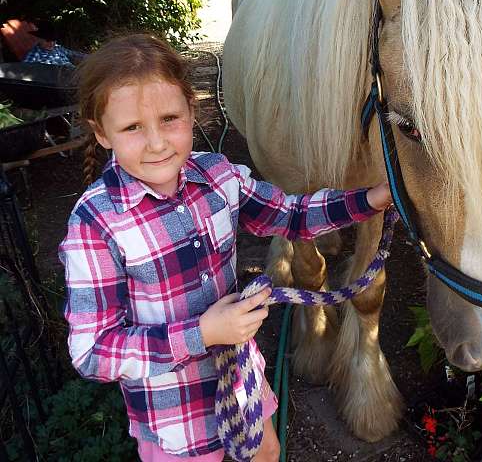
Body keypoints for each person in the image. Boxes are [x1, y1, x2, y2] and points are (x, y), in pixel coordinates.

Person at [58, 34, 393, 462]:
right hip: (177, 421)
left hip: (243, 384)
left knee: (267, 452)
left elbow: (290, 214)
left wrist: (369, 199)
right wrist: (201, 335)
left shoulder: (217, 177)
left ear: (191, 112)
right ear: (101, 133)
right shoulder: (95, 223)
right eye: (132, 128)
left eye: (169, 119)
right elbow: (92, 351)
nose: (157, 142)